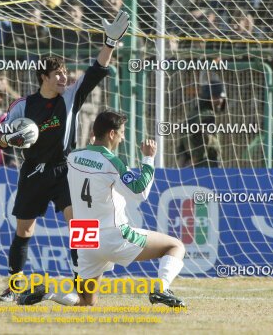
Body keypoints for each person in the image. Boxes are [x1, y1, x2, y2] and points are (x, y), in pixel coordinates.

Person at [0, 10, 130, 302]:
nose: (64, 77)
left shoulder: (69, 98)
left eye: (65, 72)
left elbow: (95, 71)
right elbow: (0, 140)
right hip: (32, 170)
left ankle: (82, 284)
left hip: (64, 171)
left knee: (79, 223)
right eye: (58, 73)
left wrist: (109, 42)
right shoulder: (23, 105)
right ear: (43, 77)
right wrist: (9, 138)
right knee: (25, 230)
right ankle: (13, 287)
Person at [18, 111, 185, 307]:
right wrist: (148, 159)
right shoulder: (113, 162)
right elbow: (140, 192)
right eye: (122, 133)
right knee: (175, 247)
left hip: (84, 236)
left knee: (87, 301)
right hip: (112, 235)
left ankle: (50, 292)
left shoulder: (73, 157)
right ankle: (161, 289)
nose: (123, 138)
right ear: (112, 134)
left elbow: (86, 161)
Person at [176, 76, 227, 168]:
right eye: (215, 97)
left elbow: (181, 147)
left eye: (221, 97)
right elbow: (204, 137)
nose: (220, 100)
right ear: (207, 97)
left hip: (188, 168)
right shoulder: (208, 115)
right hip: (206, 168)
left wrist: (182, 167)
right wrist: (194, 160)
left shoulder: (192, 114)